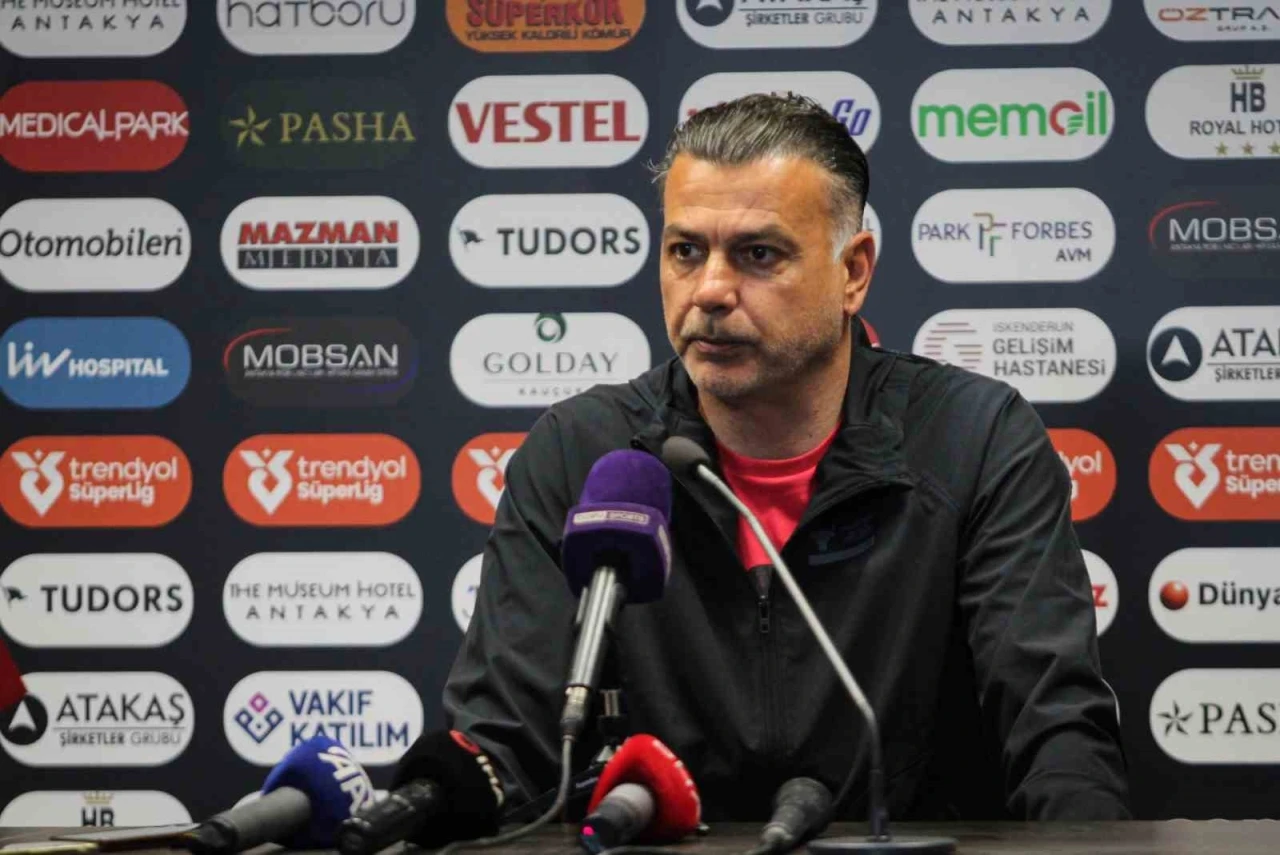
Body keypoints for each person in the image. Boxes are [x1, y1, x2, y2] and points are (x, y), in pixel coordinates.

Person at [443, 93, 1131, 823]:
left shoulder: (975, 439)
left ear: (853, 272)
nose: (710, 290)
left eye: (759, 254)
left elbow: (1056, 732)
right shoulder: (581, 452)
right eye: (686, 251)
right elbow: (504, 742)